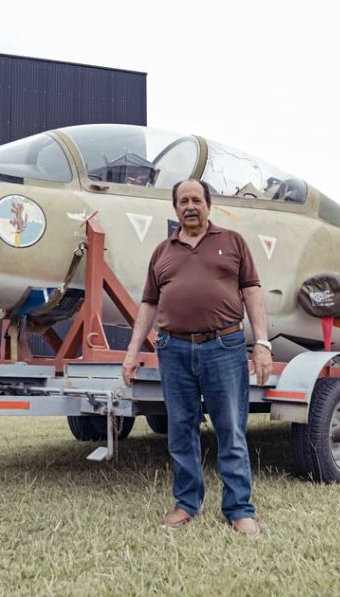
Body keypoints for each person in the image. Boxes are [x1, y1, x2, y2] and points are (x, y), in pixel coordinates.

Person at [121, 178, 272, 537]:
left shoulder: (233, 243)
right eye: (183, 201)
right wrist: (131, 352)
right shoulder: (163, 251)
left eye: (196, 200)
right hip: (173, 350)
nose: (190, 206)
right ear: (175, 208)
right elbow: (149, 304)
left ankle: (239, 509)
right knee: (180, 430)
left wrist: (262, 343)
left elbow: (251, 292)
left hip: (224, 347)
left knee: (230, 429)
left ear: (209, 205)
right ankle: (186, 503)